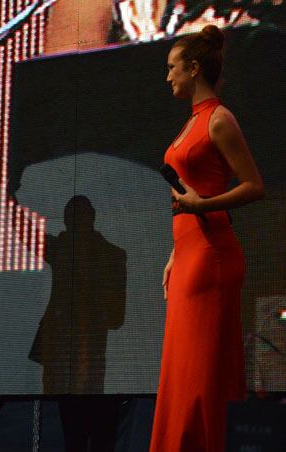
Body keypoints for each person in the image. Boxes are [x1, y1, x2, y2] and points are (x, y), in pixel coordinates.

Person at [150, 25, 264, 452]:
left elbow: (255, 186)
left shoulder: (219, 119)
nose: (168, 77)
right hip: (190, 253)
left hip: (212, 255)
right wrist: (174, 253)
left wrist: (203, 207)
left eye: (172, 68)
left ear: (194, 69)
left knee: (200, 372)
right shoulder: (194, 121)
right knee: (183, 368)